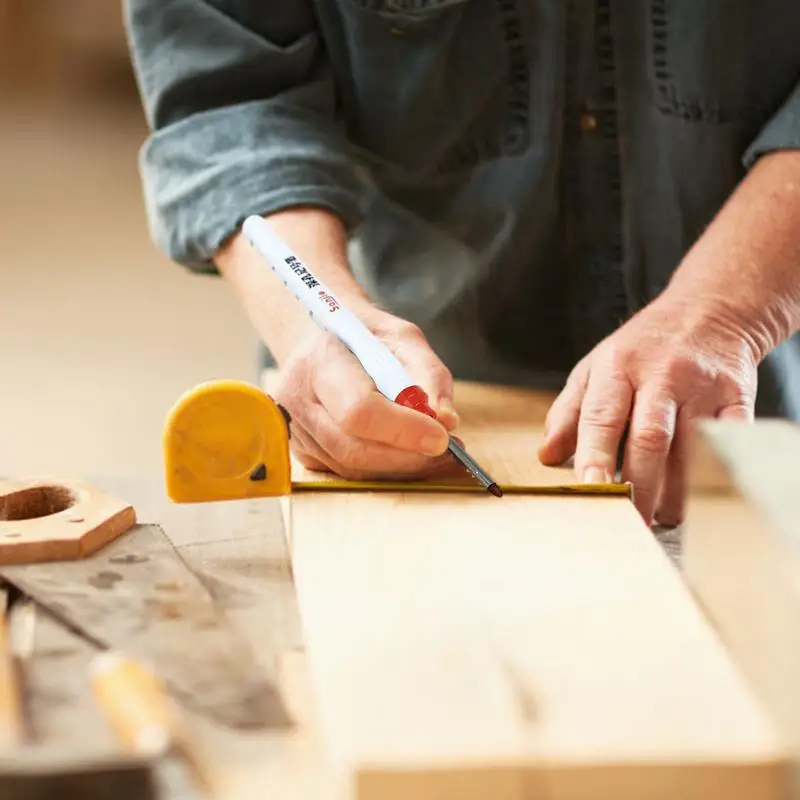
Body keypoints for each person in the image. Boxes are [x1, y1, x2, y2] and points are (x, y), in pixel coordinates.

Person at [123, 1, 800, 527]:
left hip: (765, 408)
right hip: (416, 408)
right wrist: (314, 319)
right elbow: (230, 96)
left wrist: (726, 310)